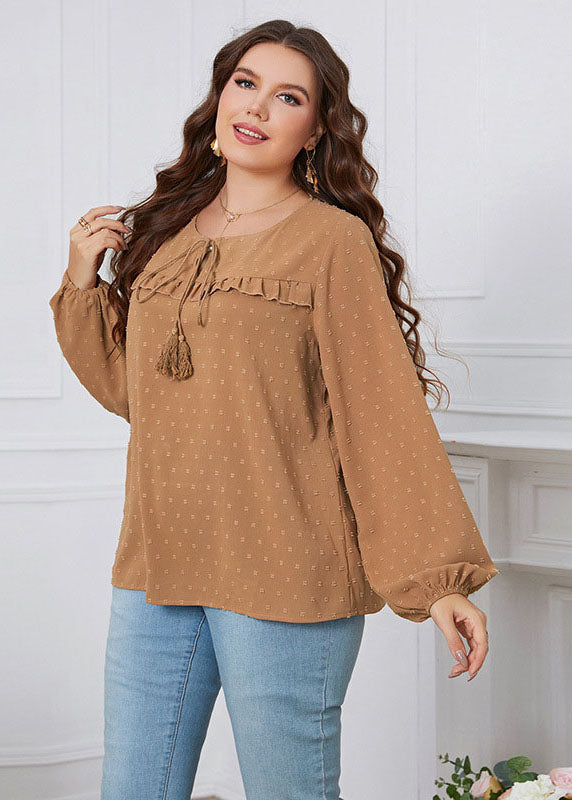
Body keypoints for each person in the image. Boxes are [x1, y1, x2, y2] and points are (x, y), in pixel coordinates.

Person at [48, 19, 500, 800]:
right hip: (157, 564)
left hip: (285, 570)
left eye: (289, 96)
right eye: (245, 83)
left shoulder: (332, 241)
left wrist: (439, 580)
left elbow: (381, 418)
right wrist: (82, 282)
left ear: (316, 129)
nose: (257, 106)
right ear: (220, 99)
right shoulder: (164, 235)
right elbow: (136, 395)